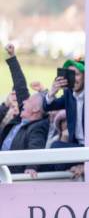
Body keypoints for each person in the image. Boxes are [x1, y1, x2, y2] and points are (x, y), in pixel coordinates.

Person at [0, 44, 49, 178]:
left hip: (9, 176)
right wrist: (12, 56)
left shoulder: (37, 127)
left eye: (28, 101)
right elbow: (20, 85)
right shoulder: (21, 119)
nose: (24, 102)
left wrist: (31, 167)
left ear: (35, 109)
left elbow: (36, 146)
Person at [43, 58, 85, 172]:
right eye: (70, 75)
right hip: (76, 147)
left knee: (56, 148)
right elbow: (48, 106)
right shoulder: (69, 94)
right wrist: (52, 92)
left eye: (76, 74)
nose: (73, 79)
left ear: (85, 76)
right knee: (46, 160)